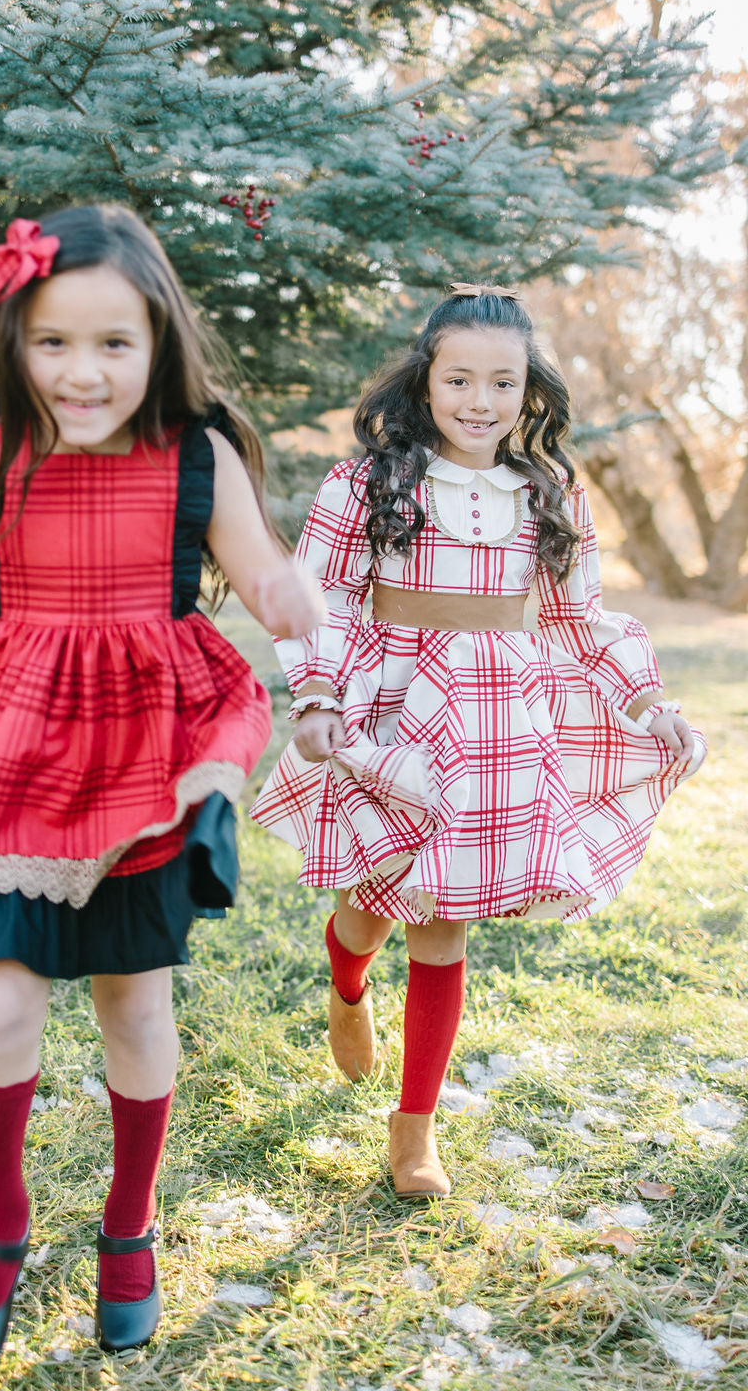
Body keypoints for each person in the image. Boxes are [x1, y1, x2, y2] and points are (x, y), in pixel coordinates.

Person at [0, 204, 325, 1368]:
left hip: (144, 764)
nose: (82, 370)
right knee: (1, 1005)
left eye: (115, 343)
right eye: (53, 341)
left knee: (132, 1003)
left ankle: (129, 1226)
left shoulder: (192, 454)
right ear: (14, 338)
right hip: (14, 762)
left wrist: (292, 608)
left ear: (159, 342)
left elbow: (259, 569)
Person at [251, 283, 705, 1200]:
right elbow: (322, 599)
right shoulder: (368, 483)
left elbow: (579, 619)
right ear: (425, 383)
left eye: (502, 383)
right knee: (370, 907)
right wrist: (314, 695)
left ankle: (413, 1127)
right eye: (460, 379)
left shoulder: (549, 491)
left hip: (495, 721)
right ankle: (346, 988)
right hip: (388, 705)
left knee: (443, 919)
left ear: (528, 391)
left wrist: (647, 704)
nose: (479, 401)